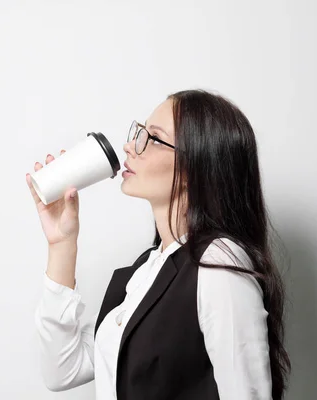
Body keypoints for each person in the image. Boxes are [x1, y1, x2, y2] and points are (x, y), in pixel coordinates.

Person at [25, 89, 291, 400]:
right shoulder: (146, 270)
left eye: (152, 137)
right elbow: (62, 370)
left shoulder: (220, 261)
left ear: (195, 166)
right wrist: (62, 243)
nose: (129, 146)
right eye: (140, 132)